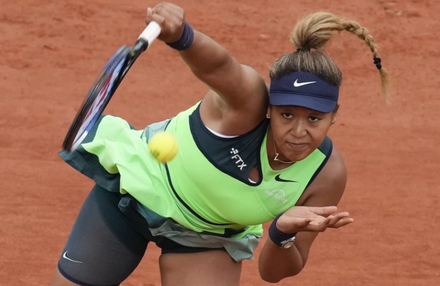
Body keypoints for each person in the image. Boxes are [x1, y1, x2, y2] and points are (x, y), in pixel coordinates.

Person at [50, 2, 390, 286]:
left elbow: (272, 273)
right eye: (287, 115)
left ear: (334, 117)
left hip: (208, 236)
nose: (299, 131)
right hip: (136, 193)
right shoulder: (247, 103)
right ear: (270, 107)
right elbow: (221, 66)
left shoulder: (326, 175)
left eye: (314, 119)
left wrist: (281, 233)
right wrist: (182, 35)